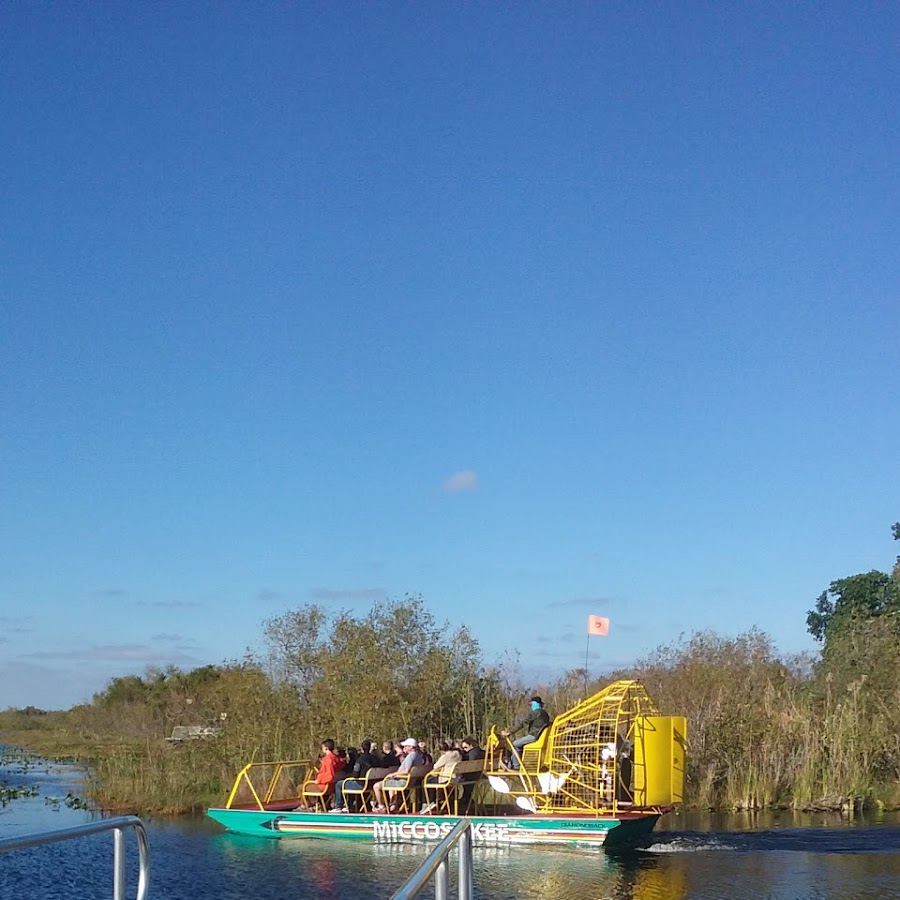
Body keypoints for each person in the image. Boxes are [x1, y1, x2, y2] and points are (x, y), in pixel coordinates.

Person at [372, 738, 424, 812]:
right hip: (412, 781)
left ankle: (381, 806)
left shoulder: (411, 756)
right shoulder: (418, 755)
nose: (404, 748)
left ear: (411, 747)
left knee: (376, 786)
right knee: (390, 783)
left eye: (406, 746)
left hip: (403, 781)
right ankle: (393, 805)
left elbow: (406, 771)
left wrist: (393, 774)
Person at [500, 696, 551, 769]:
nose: (531, 707)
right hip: (541, 737)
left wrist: (510, 732)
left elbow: (523, 723)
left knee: (515, 744)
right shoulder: (545, 714)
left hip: (534, 736)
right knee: (520, 745)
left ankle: (515, 766)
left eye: (531, 704)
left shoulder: (535, 713)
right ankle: (518, 763)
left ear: (535, 704)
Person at [330, 739, 378, 813]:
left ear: (362, 749)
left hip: (361, 784)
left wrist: (349, 775)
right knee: (348, 783)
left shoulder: (359, 760)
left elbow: (355, 775)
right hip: (371, 784)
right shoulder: (375, 759)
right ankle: (350, 805)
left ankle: (338, 806)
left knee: (339, 784)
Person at [418, 741, 462, 814]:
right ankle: (435, 801)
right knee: (431, 780)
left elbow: (436, 766)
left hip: (446, 778)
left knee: (426, 781)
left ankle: (429, 802)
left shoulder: (445, 756)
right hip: (456, 778)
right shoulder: (458, 754)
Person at [458, 736, 485, 813]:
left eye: (465, 747)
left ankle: (462, 800)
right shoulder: (482, 752)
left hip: (470, 777)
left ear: (471, 745)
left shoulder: (472, 754)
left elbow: (469, 765)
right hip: (478, 775)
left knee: (454, 780)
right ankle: (467, 799)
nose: (464, 750)